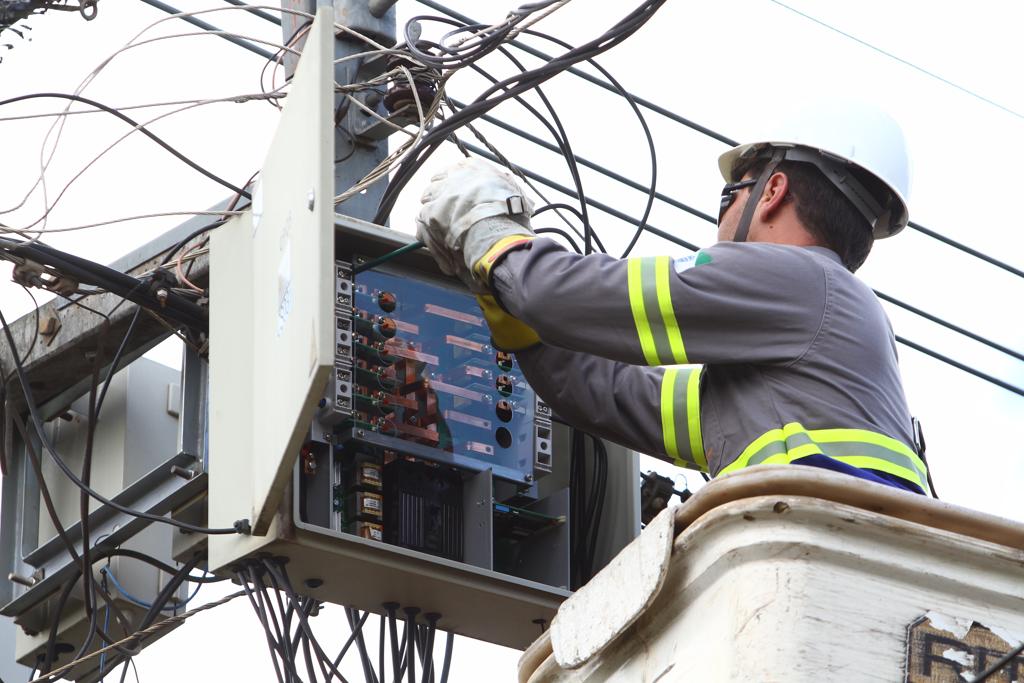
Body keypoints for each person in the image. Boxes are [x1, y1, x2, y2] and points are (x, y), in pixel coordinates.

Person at [415, 101, 930, 495]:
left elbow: (565, 297)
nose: (721, 220)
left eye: (732, 195)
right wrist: (503, 301)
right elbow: (604, 391)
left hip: (817, 552)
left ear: (772, 192)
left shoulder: (798, 278)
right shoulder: (798, 358)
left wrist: (489, 231)